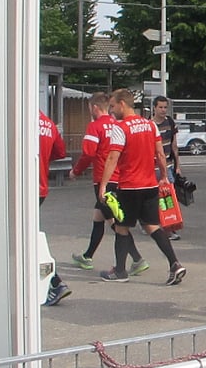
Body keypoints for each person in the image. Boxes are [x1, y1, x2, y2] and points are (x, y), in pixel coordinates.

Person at [98, 89, 186, 285]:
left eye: (113, 106)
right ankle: (175, 263)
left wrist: (103, 185)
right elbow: (161, 154)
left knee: (121, 228)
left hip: (130, 186)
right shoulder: (150, 125)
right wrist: (163, 176)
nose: (111, 111)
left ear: (122, 104)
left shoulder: (121, 128)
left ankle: (120, 271)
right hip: (150, 185)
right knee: (152, 226)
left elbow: (113, 157)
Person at [69, 92, 148, 274]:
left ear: (94, 108)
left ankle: (137, 258)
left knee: (116, 222)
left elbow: (88, 153)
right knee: (100, 216)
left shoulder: (95, 127)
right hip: (120, 178)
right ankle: (88, 256)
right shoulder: (118, 125)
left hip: (104, 179)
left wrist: (76, 171)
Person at [39, 110, 71, 306]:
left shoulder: (15, 118)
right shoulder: (47, 123)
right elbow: (60, 152)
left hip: (18, 189)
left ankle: (55, 281)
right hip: (40, 187)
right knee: (26, 236)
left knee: (25, 238)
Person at [150, 95, 182, 239]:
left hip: (168, 165)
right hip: (153, 167)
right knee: (154, 197)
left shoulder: (170, 122)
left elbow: (174, 146)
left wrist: (178, 166)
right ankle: (152, 223)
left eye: (165, 107)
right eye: (160, 107)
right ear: (154, 108)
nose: (163, 110)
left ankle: (169, 225)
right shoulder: (150, 125)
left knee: (169, 197)